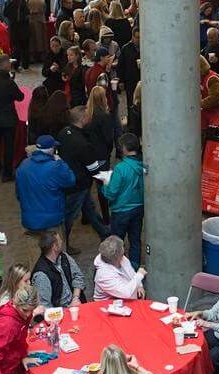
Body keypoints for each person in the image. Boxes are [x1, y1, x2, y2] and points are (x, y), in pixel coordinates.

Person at [57, 105, 109, 246]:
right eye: (87, 115)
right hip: (79, 184)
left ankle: (104, 233)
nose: (89, 117)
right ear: (82, 119)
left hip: (71, 181)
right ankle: (63, 245)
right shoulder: (82, 143)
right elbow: (93, 168)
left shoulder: (64, 133)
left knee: (89, 208)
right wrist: (106, 177)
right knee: (69, 217)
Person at [15, 134, 77, 237]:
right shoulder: (55, 167)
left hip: (30, 221)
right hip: (51, 222)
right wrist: (61, 162)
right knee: (54, 250)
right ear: (52, 149)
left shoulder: (23, 164)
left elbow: (18, 193)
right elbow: (70, 180)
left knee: (38, 249)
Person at [0, 283, 40, 374]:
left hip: (13, 363)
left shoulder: (24, 312)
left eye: (32, 310)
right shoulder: (6, 325)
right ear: (15, 303)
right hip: (4, 370)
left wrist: (23, 355)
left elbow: (20, 338)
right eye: (25, 310)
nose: (28, 314)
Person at [103, 133, 145, 266]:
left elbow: (111, 193)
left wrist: (105, 185)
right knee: (135, 240)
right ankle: (134, 267)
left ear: (124, 148)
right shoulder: (144, 165)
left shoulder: (120, 168)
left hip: (121, 211)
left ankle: (117, 267)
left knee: (116, 242)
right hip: (138, 208)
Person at [30, 229, 85, 308]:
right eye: (60, 240)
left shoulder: (64, 256)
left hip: (76, 304)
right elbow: (44, 307)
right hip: (59, 314)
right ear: (54, 247)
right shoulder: (41, 275)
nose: (62, 242)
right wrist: (66, 310)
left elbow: (78, 276)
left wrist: (75, 298)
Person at [0, 54, 22, 183]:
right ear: (5, 65)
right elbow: (20, 97)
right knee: (9, 146)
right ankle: (7, 173)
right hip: (8, 118)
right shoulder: (9, 83)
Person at [92, 234, 147, 301]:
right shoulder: (103, 275)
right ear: (117, 257)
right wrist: (139, 275)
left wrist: (139, 286)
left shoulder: (119, 258)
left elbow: (130, 272)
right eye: (122, 247)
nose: (123, 248)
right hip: (107, 304)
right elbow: (126, 293)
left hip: (122, 297)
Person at [3, 0, 30, 69]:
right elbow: (27, 14)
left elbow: (4, 13)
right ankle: (25, 65)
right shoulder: (22, 1)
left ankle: (15, 65)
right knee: (24, 47)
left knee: (15, 47)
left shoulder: (7, 0)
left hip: (12, 27)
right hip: (23, 27)